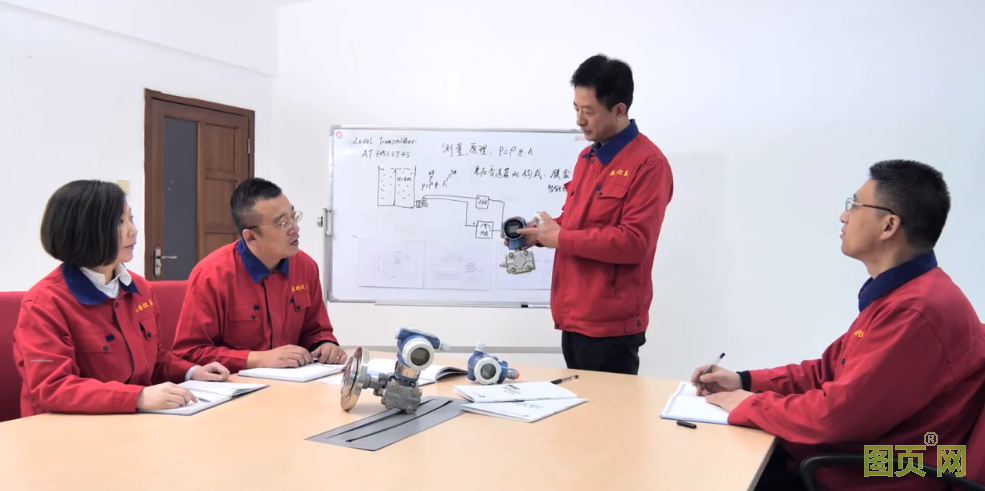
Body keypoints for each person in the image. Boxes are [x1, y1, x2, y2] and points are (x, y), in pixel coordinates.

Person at [690, 160, 985, 491]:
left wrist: (748, 404)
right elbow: (826, 372)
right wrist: (744, 381)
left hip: (879, 475)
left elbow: (835, 418)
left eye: (855, 206)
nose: (844, 216)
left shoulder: (914, 311)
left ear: (888, 226)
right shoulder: (905, 295)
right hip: (855, 461)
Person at [511, 54, 674, 375]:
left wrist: (561, 238)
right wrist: (538, 234)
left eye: (588, 111)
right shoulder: (587, 157)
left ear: (619, 110)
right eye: (575, 108)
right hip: (573, 316)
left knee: (609, 408)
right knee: (578, 406)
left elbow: (634, 243)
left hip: (610, 326)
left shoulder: (649, 164)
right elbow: (579, 223)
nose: (579, 120)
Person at [12, 180, 230, 416]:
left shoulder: (140, 288)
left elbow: (153, 357)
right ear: (83, 229)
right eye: (119, 222)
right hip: (67, 428)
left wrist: (192, 372)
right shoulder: (44, 303)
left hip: (133, 419)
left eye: (130, 218)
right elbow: (52, 387)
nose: (133, 230)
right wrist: (137, 397)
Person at [171, 178, 345, 373]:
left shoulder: (305, 267)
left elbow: (316, 331)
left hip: (295, 383)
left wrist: (325, 344)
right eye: (283, 224)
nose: (295, 229)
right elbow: (189, 353)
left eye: (294, 217)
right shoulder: (212, 275)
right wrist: (257, 359)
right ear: (251, 237)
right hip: (236, 384)